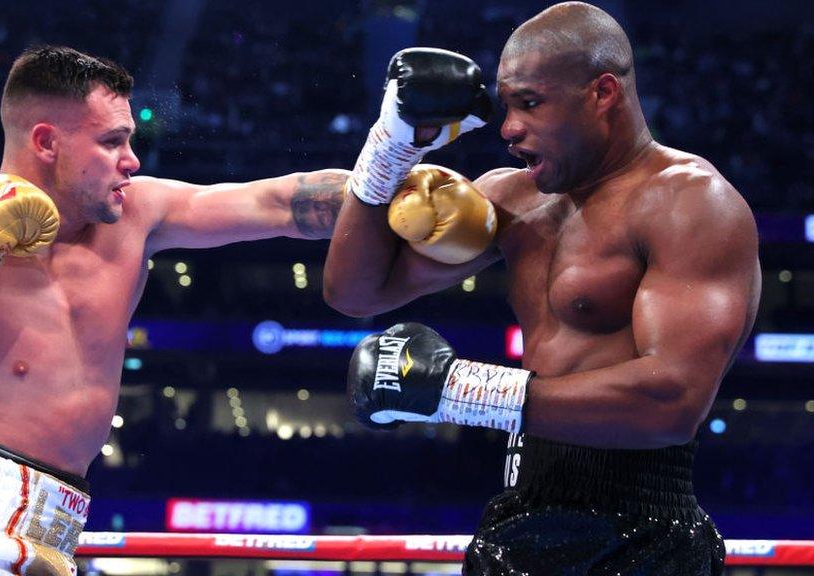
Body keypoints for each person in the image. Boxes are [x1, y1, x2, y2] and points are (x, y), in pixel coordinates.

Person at [0, 45, 349, 576]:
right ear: (46, 142)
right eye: (112, 142)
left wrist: (391, 176)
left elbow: (280, 203)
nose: (131, 160)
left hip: (54, 529)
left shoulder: (138, 216)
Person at [324, 3, 760, 575]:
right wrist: (393, 143)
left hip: (643, 534)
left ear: (602, 93)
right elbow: (356, 292)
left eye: (529, 103)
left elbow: (672, 401)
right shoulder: (512, 199)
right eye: (505, 107)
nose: (507, 128)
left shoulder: (689, 202)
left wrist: (458, 390)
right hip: (517, 515)